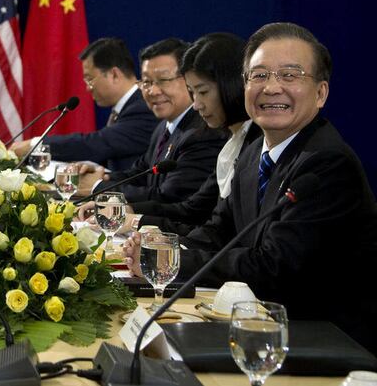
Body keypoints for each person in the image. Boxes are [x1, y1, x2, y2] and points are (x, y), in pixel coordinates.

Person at [122, 22, 377, 352]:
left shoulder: (327, 163)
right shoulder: (254, 151)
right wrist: (161, 251)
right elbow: (218, 231)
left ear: (321, 93)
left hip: (324, 343)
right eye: (258, 75)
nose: (271, 88)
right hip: (258, 328)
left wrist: (174, 264)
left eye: (289, 75)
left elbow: (273, 268)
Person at [82, 33, 261, 235]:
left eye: (202, 92)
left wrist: (115, 203)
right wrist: (125, 209)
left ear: (231, 85)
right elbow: (191, 209)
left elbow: (187, 210)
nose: (197, 104)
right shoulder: (228, 140)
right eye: (147, 82)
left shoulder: (213, 136)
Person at [81, 38, 227, 203]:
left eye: (163, 80)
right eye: (146, 82)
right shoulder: (163, 127)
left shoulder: (203, 134)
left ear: (188, 79)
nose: (153, 91)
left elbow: (168, 197)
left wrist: (98, 187)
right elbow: (140, 173)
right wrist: (101, 176)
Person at [10, 37, 157, 171]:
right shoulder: (126, 107)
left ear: (114, 74)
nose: (87, 88)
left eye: (90, 79)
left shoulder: (143, 107)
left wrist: (35, 144)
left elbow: (97, 143)